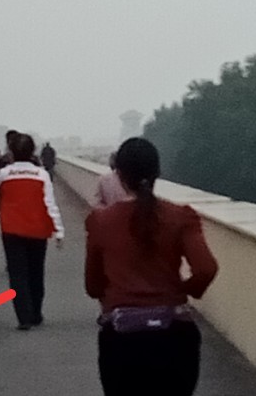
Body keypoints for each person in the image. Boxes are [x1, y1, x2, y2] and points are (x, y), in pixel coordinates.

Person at [85, 137, 218, 395]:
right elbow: (206, 269)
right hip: (175, 337)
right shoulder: (181, 217)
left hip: (122, 341)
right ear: (158, 172)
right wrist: (182, 288)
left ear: (119, 176)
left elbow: (93, 285)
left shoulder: (101, 221)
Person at [0, 132, 64, 330]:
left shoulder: (4, 174)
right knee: (36, 271)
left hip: (11, 229)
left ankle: (23, 317)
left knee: (17, 274)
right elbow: (50, 204)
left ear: (11, 152)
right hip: (37, 229)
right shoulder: (42, 175)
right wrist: (59, 230)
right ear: (33, 151)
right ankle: (36, 312)